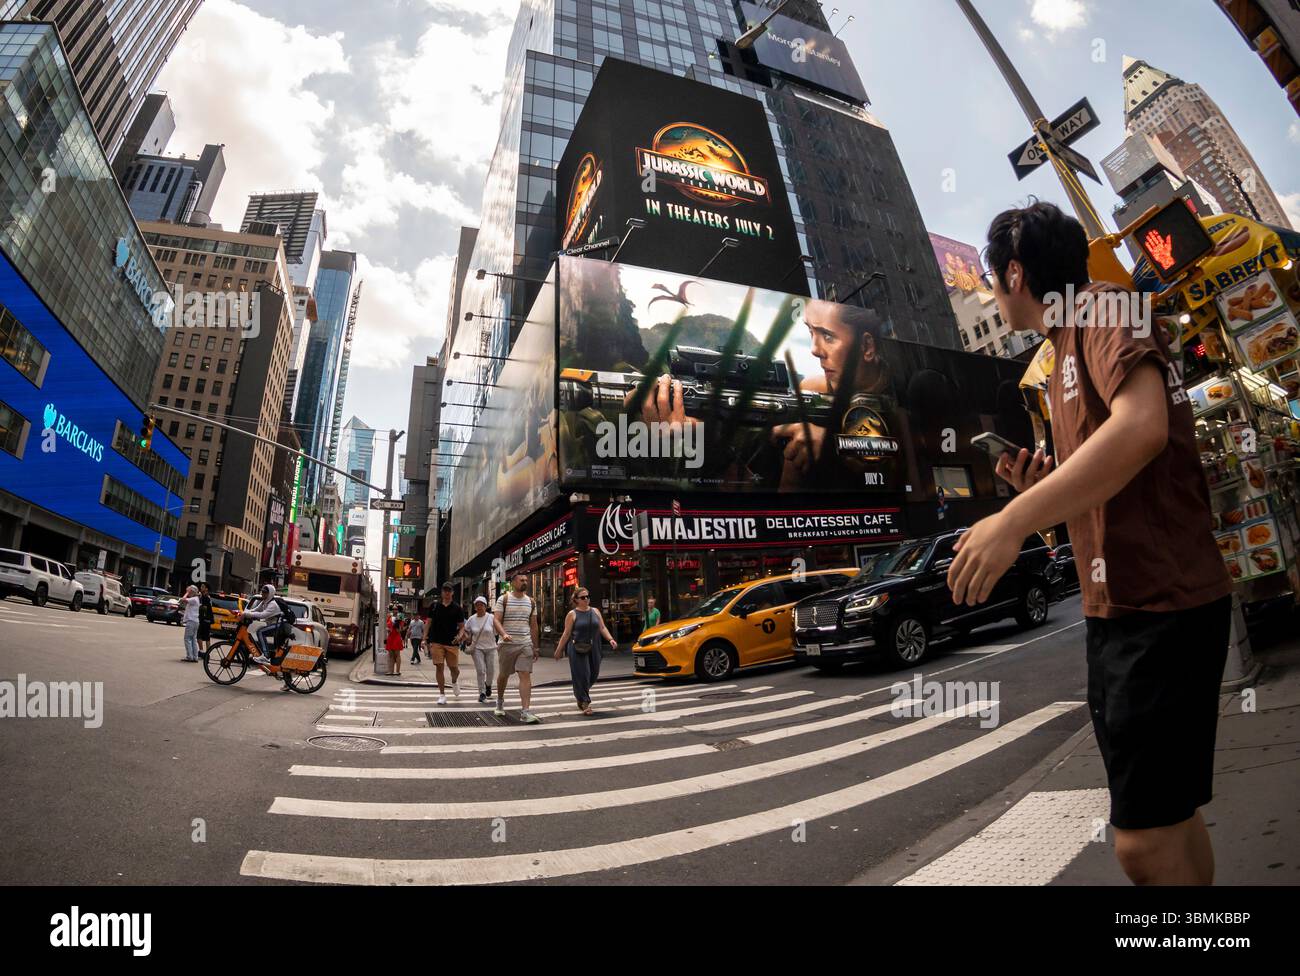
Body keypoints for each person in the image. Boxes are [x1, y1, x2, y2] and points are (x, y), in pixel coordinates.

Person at [948, 200, 1233, 886]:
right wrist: (1034, 492)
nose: (991, 293)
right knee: (1173, 820)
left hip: (1158, 604)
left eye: (992, 280)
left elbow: (1141, 430)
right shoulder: (1060, 354)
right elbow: (1112, 467)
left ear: (1015, 274)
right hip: (1125, 608)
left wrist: (1010, 523)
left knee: (1142, 842)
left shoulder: (1105, 309)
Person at [554, 587, 617, 716]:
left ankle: (580, 694)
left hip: (594, 648)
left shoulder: (595, 611)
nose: (586, 599)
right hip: (577, 649)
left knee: (593, 674)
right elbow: (566, 634)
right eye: (583, 597)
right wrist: (559, 649)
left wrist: (610, 639)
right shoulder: (572, 614)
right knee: (583, 674)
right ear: (576, 600)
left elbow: (602, 627)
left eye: (588, 596)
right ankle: (584, 702)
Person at [493, 573, 541, 722]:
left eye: (526, 580)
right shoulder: (504, 599)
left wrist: (536, 647)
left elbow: (533, 626)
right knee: (503, 675)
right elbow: (496, 620)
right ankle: (500, 701)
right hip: (507, 644)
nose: (525, 582)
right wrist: (503, 634)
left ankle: (525, 712)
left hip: (525, 644)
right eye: (521, 580)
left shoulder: (531, 602)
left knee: (525, 675)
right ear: (513, 582)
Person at [464, 595, 511, 702]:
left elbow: (498, 630)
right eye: (477, 605)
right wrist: (467, 637)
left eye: (481, 605)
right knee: (481, 670)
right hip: (477, 648)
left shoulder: (491, 618)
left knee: (491, 670)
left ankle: (488, 685)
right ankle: (481, 692)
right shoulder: (471, 619)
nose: (479, 607)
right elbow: (466, 631)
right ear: (475, 607)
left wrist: (503, 639)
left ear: (485, 606)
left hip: (491, 648)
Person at [427, 583, 466, 705]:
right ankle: (442, 694)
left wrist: (459, 636)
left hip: (451, 643)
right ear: (442, 592)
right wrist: (424, 639)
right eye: (445, 590)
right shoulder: (434, 606)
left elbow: (462, 627)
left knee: (454, 669)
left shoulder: (457, 608)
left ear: (452, 592)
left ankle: (454, 681)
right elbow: (428, 623)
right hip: (436, 641)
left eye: (449, 591)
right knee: (439, 666)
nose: (447, 593)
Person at [243, 583, 291, 667]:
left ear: (270, 594)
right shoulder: (264, 602)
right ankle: (264, 654)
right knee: (261, 631)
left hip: (280, 626)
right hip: (275, 625)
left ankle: (266, 656)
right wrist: (243, 613)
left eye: (265, 593)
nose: (262, 594)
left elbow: (262, 615)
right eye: (262, 592)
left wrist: (247, 615)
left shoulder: (272, 604)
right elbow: (255, 610)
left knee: (260, 632)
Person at [180, 585, 201, 662]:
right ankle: (195, 657)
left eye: (188, 591)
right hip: (195, 621)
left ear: (192, 592)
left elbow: (183, 599)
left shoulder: (194, 599)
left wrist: (187, 592)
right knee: (193, 639)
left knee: (187, 639)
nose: (188, 593)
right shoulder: (196, 599)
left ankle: (190, 656)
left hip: (191, 621)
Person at [384, 612, 404, 676]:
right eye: (393, 609)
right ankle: (391, 671)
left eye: (396, 609)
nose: (394, 610)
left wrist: (397, 625)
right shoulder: (389, 618)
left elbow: (400, 630)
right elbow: (387, 628)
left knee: (397, 654)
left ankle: (397, 671)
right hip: (390, 638)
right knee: (391, 655)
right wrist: (388, 629)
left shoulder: (400, 617)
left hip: (396, 638)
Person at [196, 583, 213, 656]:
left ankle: (202, 651)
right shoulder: (207, 597)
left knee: (199, 635)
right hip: (207, 619)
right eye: (201, 586)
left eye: (203, 586)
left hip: (204, 619)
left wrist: (199, 606)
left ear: (206, 589)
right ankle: (207, 653)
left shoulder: (205, 597)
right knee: (206, 637)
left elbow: (204, 608)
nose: (201, 587)